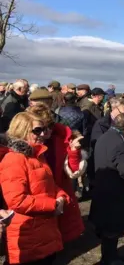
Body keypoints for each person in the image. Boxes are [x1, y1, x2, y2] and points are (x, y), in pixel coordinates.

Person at [0, 112, 69, 264]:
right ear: (22, 131)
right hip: (27, 234)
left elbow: (49, 184)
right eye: (37, 130)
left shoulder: (37, 155)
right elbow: (16, 200)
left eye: (44, 129)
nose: (44, 134)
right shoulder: (14, 159)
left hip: (44, 230)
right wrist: (52, 205)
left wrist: (61, 196)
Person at [26, 104, 86, 243]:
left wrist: (74, 152)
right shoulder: (23, 144)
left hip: (58, 190)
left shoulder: (60, 140)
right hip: (34, 195)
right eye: (40, 128)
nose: (46, 132)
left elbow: (73, 171)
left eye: (49, 126)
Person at [89, 113, 124, 264]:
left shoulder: (105, 137)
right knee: (112, 226)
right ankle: (110, 259)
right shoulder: (118, 142)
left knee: (107, 227)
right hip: (113, 189)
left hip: (102, 186)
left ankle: (111, 256)